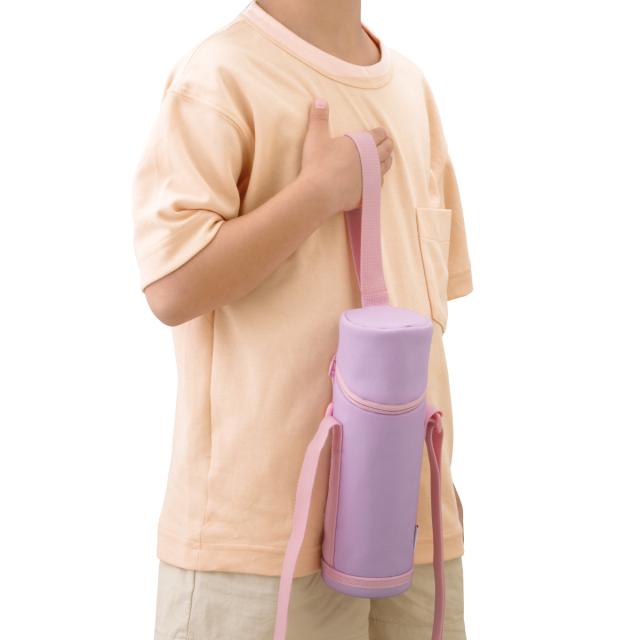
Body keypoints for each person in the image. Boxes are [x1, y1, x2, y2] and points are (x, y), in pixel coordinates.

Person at [131, 1, 473, 638]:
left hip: (415, 524)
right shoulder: (221, 75)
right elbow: (172, 288)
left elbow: (430, 308)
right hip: (259, 542)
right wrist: (317, 194)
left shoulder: (410, 87)